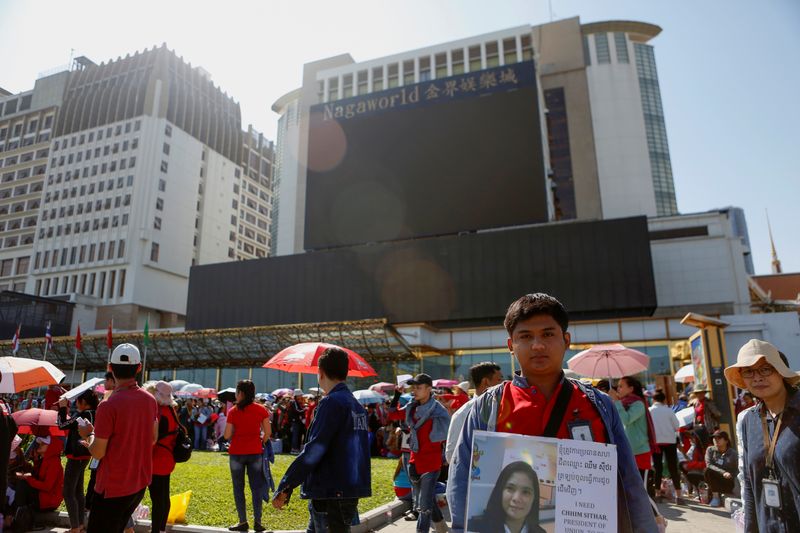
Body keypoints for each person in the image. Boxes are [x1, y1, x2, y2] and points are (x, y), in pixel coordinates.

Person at [448, 293, 657, 533]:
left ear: (566, 340)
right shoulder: (488, 407)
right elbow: (462, 482)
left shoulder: (599, 404)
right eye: (525, 337)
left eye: (548, 334)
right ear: (511, 346)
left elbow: (629, 480)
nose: (537, 345)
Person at [272, 347, 371, 533]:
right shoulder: (355, 404)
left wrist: (287, 484)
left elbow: (315, 450)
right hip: (347, 489)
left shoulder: (331, 402)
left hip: (331, 491)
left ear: (321, 372)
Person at [78, 343, 159, 533]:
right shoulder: (150, 400)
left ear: (110, 367)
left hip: (112, 488)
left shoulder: (108, 406)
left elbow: (98, 451)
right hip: (139, 483)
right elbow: (153, 438)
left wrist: (88, 434)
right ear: (139, 368)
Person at [724, 339, 800, 531]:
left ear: (781, 372)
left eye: (765, 369)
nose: (757, 378)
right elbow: (748, 483)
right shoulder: (747, 420)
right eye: (748, 371)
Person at [389, 373, 450, 533]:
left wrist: (447, 455)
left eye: (419, 387)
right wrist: (396, 395)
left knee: (423, 506)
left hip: (431, 462)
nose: (415, 390)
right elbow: (393, 414)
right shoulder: (411, 407)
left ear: (429, 389)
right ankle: (441, 526)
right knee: (427, 499)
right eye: (413, 387)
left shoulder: (438, 411)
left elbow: (447, 434)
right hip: (414, 460)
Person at [223, 380, 271, 532]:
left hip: (236, 453)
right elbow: (268, 433)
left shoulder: (233, 411)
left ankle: (242, 522)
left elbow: (227, 435)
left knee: (238, 488)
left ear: (241, 393)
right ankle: (258, 522)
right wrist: (260, 441)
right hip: (255, 452)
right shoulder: (261, 409)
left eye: (236, 392)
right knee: (256, 488)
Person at [445, 362, 503, 464]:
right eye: (499, 380)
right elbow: (452, 455)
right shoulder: (462, 414)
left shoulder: (504, 408)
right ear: (486, 382)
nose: (503, 384)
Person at [58, 389, 98, 532]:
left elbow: (62, 424)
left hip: (76, 456)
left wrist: (62, 407)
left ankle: (75, 527)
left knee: (68, 492)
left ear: (84, 402)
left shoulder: (84, 415)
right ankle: (80, 524)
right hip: (86, 455)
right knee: (78, 491)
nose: (75, 403)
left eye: (77, 400)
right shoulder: (94, 413)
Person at [467, 461, 545, 533]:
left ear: (534, 498)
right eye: (510, 488)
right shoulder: (473, 529)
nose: (516, 498)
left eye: (525, 492)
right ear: (500, 491)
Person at [608, 376, 658, 481]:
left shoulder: (638, 404)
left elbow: (626, 419)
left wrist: (616, 402)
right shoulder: (622, 403)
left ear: (631, 389)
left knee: (641, 490)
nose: (618, 389)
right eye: (618, 387)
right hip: (628, 452)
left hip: (640, 452)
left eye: (621, 386)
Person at [147, 381, 180, 533]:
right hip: (167, 457)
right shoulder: (171, 409)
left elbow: (152, 438)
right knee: (163, 497)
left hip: (156, 459)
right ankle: (160, 529)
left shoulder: (159, 412)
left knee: (157, 499)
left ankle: (156, 530)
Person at [12, 435, 64, 529]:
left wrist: (27, 479)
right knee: (21, 483)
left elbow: (47, 486)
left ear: (51, 447)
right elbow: (39, 477)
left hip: (49, 500)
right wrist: (35, 461)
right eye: (40, 443)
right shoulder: (45, 459)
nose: (39, 445)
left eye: (43, 444)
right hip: (43, 496)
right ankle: (19, 517)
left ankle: (23, 520)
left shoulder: (54, 462)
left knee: (23, 485)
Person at [648, 390, 682, 504]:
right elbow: (677, 426)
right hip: (670, 441)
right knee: (673, 468)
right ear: (664, 400)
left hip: (656, 442)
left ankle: (657, 494)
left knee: (658, 469)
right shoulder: (669, 411)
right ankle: (679, 496)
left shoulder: (649, 411)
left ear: (653, 400)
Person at [703, 430, 738, 507]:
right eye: (714, 438)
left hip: (727, 481)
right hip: (714, 479)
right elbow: (708, 464)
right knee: (707, 471)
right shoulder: (710, 450)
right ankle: (715, 497)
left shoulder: (733, 453)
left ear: (726, 440)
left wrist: (731, 474)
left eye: (719, 438)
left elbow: (738, 469)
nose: (716, 440)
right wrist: (723, 472)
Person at [287, 389, 307, 453]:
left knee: (297, 435)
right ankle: (294, 449)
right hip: (295, 421)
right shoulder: (293, 402)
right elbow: (297, 410)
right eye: (300, 395)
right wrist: (305, 409)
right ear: (297, 395)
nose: (301, 396)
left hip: (297, 421)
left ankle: (296, 449)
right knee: (295, 435)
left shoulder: (296, 402)